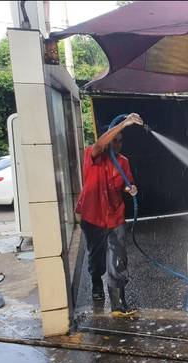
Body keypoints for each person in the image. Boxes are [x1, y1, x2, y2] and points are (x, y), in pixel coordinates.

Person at [76, 113, 143, 317]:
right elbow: (99, 144)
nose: (118, 145)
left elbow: (127, 183)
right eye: (114, 140)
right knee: (96, 258)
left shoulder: (123, 162)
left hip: (115, 216)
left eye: (120, 141)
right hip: (92, 216)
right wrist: (124, 123)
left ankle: (118, 304)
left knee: (118, 257)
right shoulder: (93, 155)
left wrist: (131, 189)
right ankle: (96, 282)